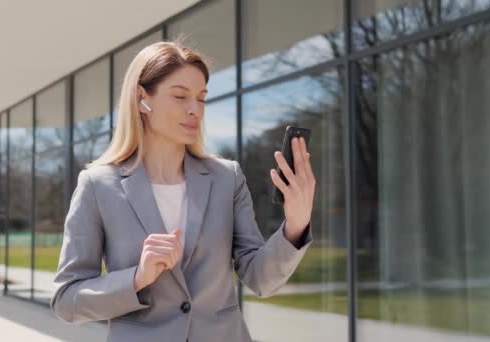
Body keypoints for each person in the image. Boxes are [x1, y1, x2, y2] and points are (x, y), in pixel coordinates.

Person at [50, 41, 316, 342]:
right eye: (180, 96)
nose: (195, 110)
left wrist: (295, 225)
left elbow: (261, 279)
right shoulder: (98, 186)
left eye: (201, 99)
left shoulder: (227, 178)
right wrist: (136, 279)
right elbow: (66, 300)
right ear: (142, 99)